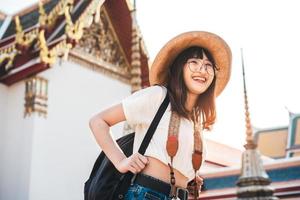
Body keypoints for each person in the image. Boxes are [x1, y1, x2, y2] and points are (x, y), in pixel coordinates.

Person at [89, 31, 232, 200]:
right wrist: (121, 161)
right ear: (180, 68)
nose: (202, 69)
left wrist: (190, 178)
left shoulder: (196, 123)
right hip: (146, 194)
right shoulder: (159, 96)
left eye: (208, 65)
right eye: (194, 62)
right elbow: (98, 121)